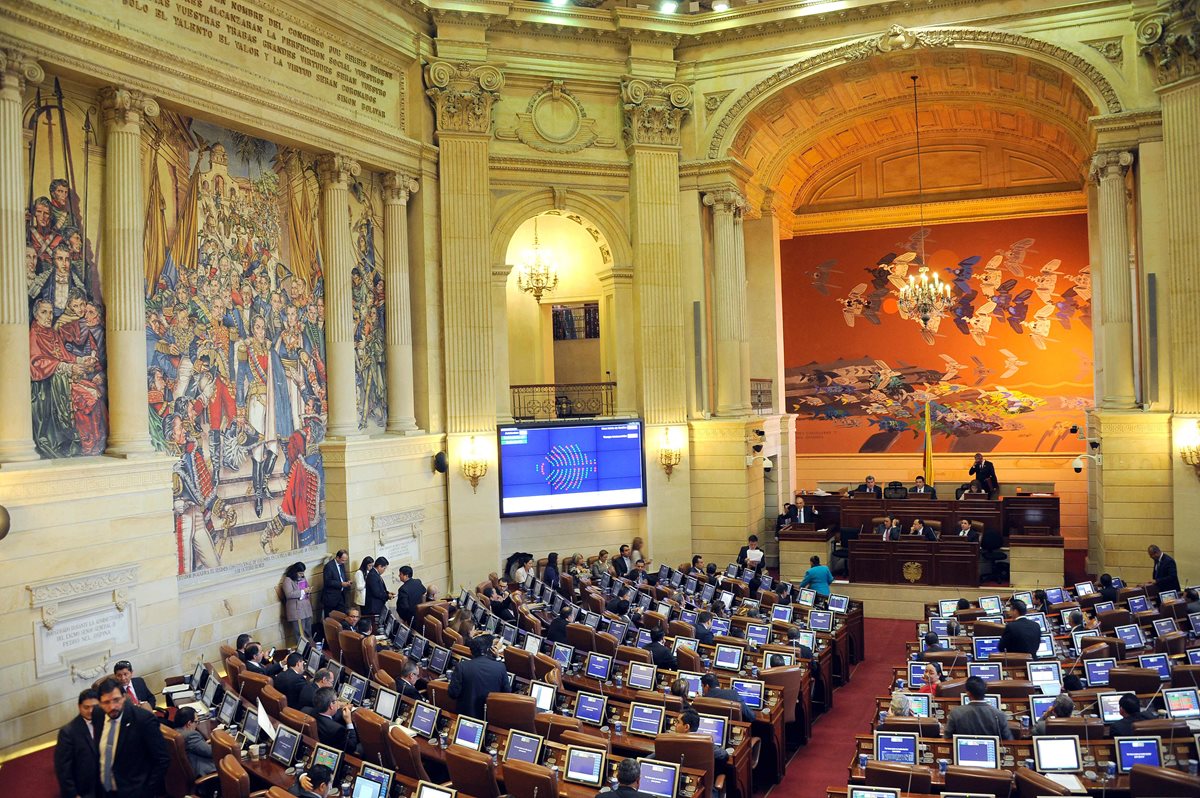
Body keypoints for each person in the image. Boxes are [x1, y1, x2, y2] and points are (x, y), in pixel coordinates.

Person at [92, 677, 170, 798]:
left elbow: (162, 759)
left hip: (135, 792)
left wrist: (146, 791)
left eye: (116, 700)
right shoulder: (98, 715)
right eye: (106, 702)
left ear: (124, 697)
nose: (112, 706)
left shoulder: (143, 720)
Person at [448, 634, 510, 720]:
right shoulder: (500, 667)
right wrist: (498, 659)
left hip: (465, 718)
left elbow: (453, 694)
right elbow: (507, 694)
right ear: (489, 650)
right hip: (490, 719)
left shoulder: (461, 666)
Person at [55, 688, 99, 798]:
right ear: (79, 707)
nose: (90, 711)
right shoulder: (68, 732)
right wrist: (73, 794)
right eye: (86, 707)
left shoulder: (107, 722)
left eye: (94, 707)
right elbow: (63, 769)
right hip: (85, 791)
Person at [943, 676, 1012, 739]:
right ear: (985, 691)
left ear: (968, 693)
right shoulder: (1000, 715)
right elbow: (1008, 741)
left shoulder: (956, 713)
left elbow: (946, 738)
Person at [312, 687, 361, 754]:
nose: (338, 703)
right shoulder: (337, 729)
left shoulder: (309, 712)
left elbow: (330, 717)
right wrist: (349, 721)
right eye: (337, 700)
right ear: (331, 705)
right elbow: (351, 746)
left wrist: (342, 709)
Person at [174, 707, 215, 777]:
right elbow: (212, 752)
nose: (197, 724)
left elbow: (196, 747)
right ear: (189, 723)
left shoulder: (176, 732)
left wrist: (204, 744)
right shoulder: (190, 735)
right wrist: (219, 742)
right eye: (196, 722)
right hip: (204, 771)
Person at [282, 562, 313, 643]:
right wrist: (303, 591)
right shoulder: (288, 580)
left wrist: (308, 590)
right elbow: (289, 594)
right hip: (296, 610)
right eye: (300, 573)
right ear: (295, 571)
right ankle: (303, 651)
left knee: (308, 630)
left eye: (303, 573)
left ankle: (310, 648)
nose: (302, 575)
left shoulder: (303, 577)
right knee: (300, 633)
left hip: (306, 608)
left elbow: (307, 586)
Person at [321, 550, 351, 617]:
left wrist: (347, 582)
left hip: (341, 596)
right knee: (330, 618)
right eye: (343, 560)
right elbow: (327, 582)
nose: (344, 562)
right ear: (337, 558)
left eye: (346, 560)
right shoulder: (329, 566)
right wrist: (341, 584)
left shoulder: (342, 565)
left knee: (342, 616)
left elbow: (342, 577)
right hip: (331, 597)